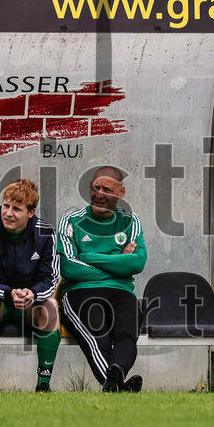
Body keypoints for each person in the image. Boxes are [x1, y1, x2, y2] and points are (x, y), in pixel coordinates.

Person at [57, 166, 147, 392]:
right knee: (99, 339)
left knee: (127, 334)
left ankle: (117, 374)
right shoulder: (71, 220)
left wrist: (88, 256)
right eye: (95, 188)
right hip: (80, 291)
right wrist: (118, 264)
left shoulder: (130, 221)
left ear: (121, 193)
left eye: (107, 189)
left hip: (122, 290)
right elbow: (68, 268)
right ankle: (118, 387)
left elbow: (137, 263)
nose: (99, 194)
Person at [0, 179, 61, 394]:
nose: (8, 213)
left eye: (16, 209)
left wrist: (33, 293)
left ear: (30, 212)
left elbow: (51, 278)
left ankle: (43, 386)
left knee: (51, 306)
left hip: (28, 304)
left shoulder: (46, 233)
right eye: (6, 206)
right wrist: (9, 293)